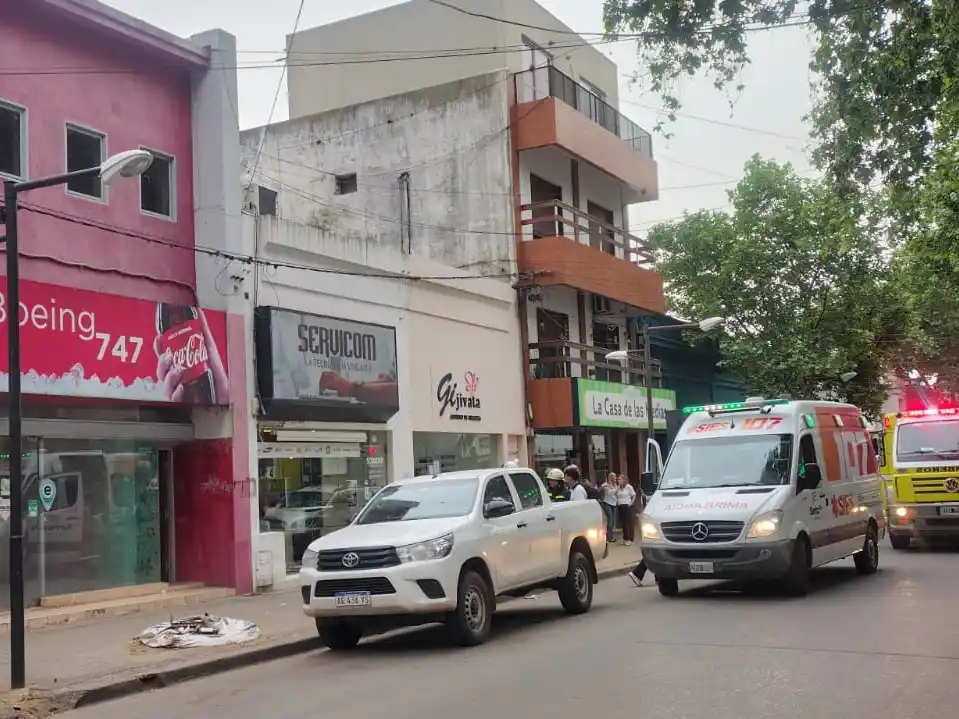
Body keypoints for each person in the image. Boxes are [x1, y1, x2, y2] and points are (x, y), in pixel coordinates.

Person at [616, 476, 637, 546]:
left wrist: (631, 503)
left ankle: (630, 538)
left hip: (627, 506)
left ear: (624, 480)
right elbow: (615, 495)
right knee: (623, 523)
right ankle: (625, 538)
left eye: (619, 479)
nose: (618, 480)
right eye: (618, 479)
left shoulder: (628, 487)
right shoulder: (618, 487)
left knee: (628, 522)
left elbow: (634, 495)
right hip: (620, 506)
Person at [600, 473, 618, 542]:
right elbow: (600, 489)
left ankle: (609, 535)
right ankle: (609, 537)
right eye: (614, 477)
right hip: (607, 503)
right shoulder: (605, 484)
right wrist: (603, 487)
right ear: (610, 477)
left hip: (614, 504)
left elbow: (616, 494)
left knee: (612, 521)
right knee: (610, 519)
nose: (615, 478)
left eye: (615, 477)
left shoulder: (616, 485)